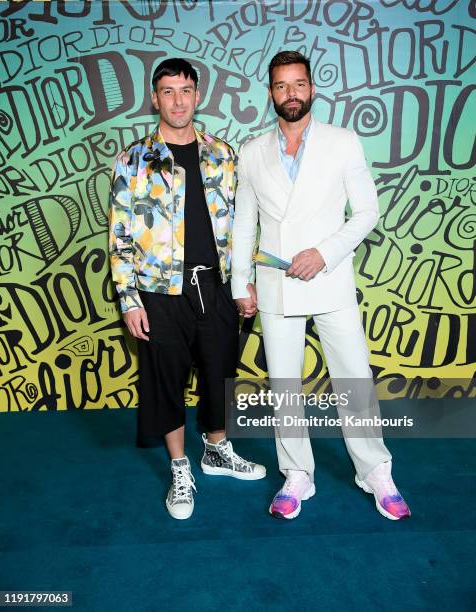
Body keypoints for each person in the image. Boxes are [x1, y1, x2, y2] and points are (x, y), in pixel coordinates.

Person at [231, 50, 410, 521]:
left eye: (298, 84)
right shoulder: (251, 152)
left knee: (354, 380)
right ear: (270, 93)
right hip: (274, 285)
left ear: (312, 89)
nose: (291, 93)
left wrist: (325, 253)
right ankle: (296, 474)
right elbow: (243, 226)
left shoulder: (343, 141)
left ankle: (375, 470)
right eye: (281, 85)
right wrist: (238, 284)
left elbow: (368, 212)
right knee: (284, 385)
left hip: (329, 278)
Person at [109, 57, 265, 521]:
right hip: (159, 291)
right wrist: (129, 298)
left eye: (186, 90)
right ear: (155, 98)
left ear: (198, 95)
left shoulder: (223, 153)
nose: (178, 100)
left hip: (214, 287)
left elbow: (243, 224)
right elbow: (119, 235)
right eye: (168, 91)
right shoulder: (133, 159)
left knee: (220, 373)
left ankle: (216, 450)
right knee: (166, 380)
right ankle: (180, 466)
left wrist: (243, 281)